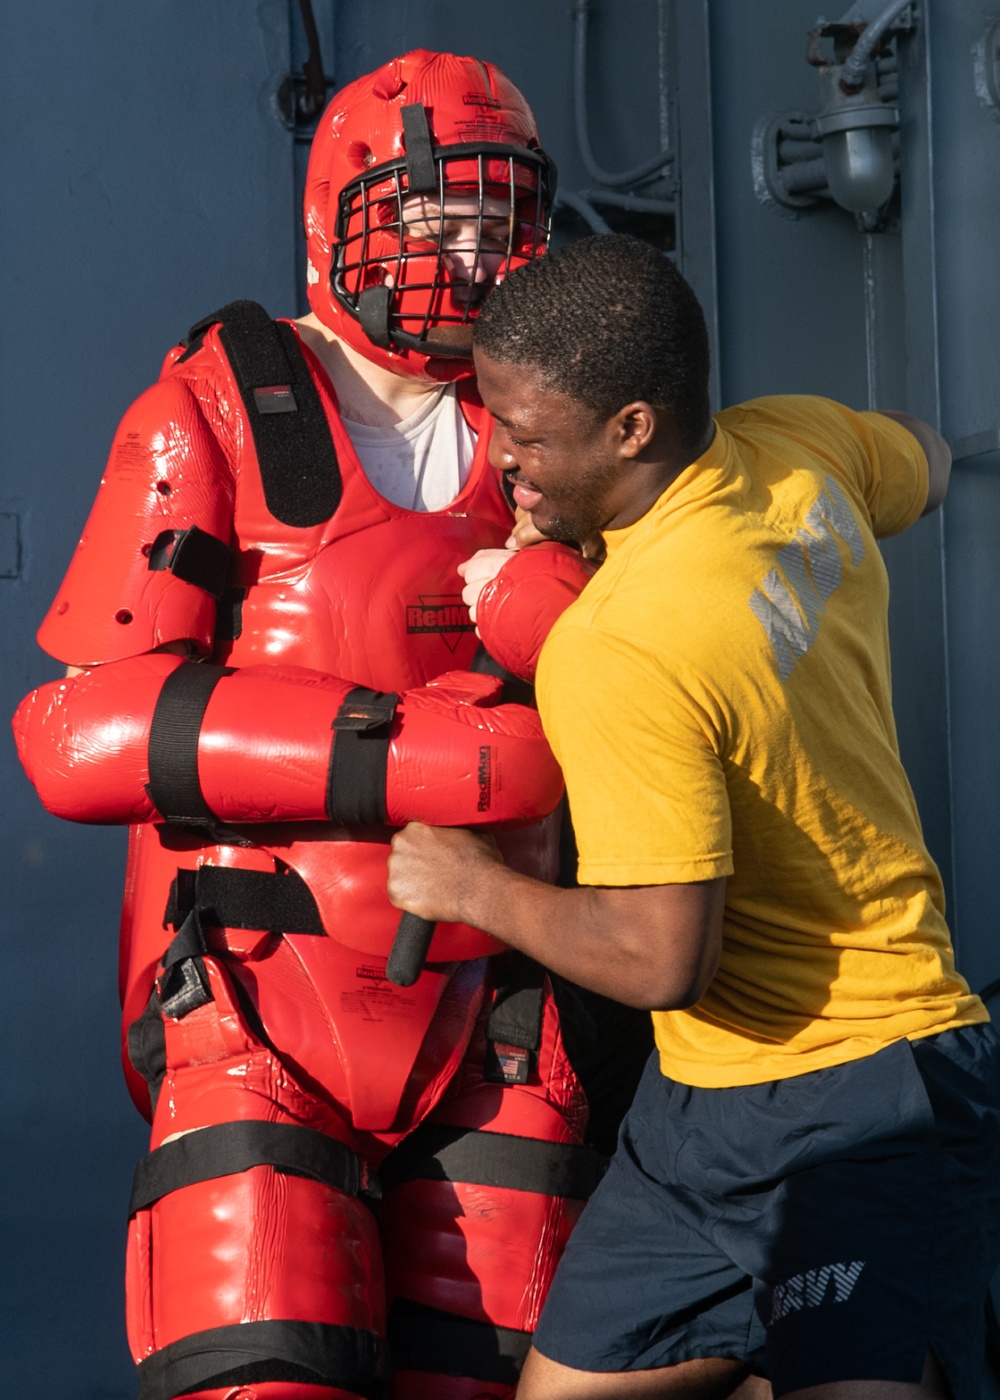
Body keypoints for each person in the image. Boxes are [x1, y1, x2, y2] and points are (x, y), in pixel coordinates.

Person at [12, 53, 652, 1400]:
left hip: (500, 1016)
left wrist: (564, 612)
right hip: (259, 1001)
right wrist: (416, 756)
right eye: (436, 220)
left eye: (495, 221)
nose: (470, 256)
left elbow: (672, 663)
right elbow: (75, 733)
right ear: (341, 219)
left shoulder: (547, 418)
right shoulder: (218, 410)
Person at [386, 232, 1000, 1400]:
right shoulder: (796, 446)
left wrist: (470, 886)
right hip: (700, 1112)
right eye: (491, 418)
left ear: (630, 428)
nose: (500, 459)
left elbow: (662, 954)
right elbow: (917, 458)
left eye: (525, 434)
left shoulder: (619, 649)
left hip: (862, 1092)